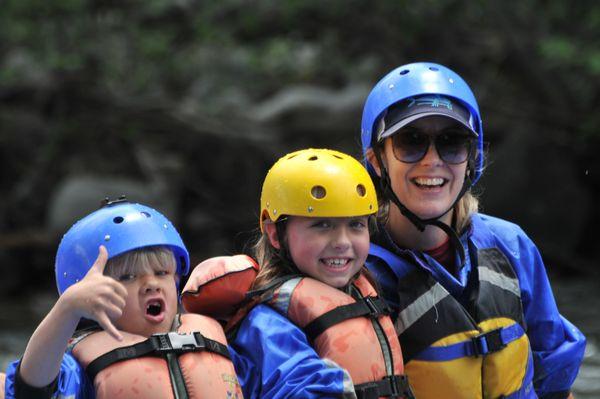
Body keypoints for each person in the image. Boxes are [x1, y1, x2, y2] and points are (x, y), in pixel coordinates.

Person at [359, 61, 586, 398]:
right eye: (410, 141)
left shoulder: (511, 245)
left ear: (472, 158)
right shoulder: (354, 268)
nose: (432, 160)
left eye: (452, 142)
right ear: (377, 160)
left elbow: (555, 376)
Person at [3, 198, 241, 398]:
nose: (151, 284)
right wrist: (67, 309)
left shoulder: (214, 335)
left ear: (177, 279)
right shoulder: (81, 366)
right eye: (127, 277)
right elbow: (31, 388)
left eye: (162, 273)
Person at [227, 148, 413, 398]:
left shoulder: (366, 293)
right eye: (322, 225)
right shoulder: (267, 324)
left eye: (356, 225)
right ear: (275, 234)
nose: (342, 242)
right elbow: (295, 384)